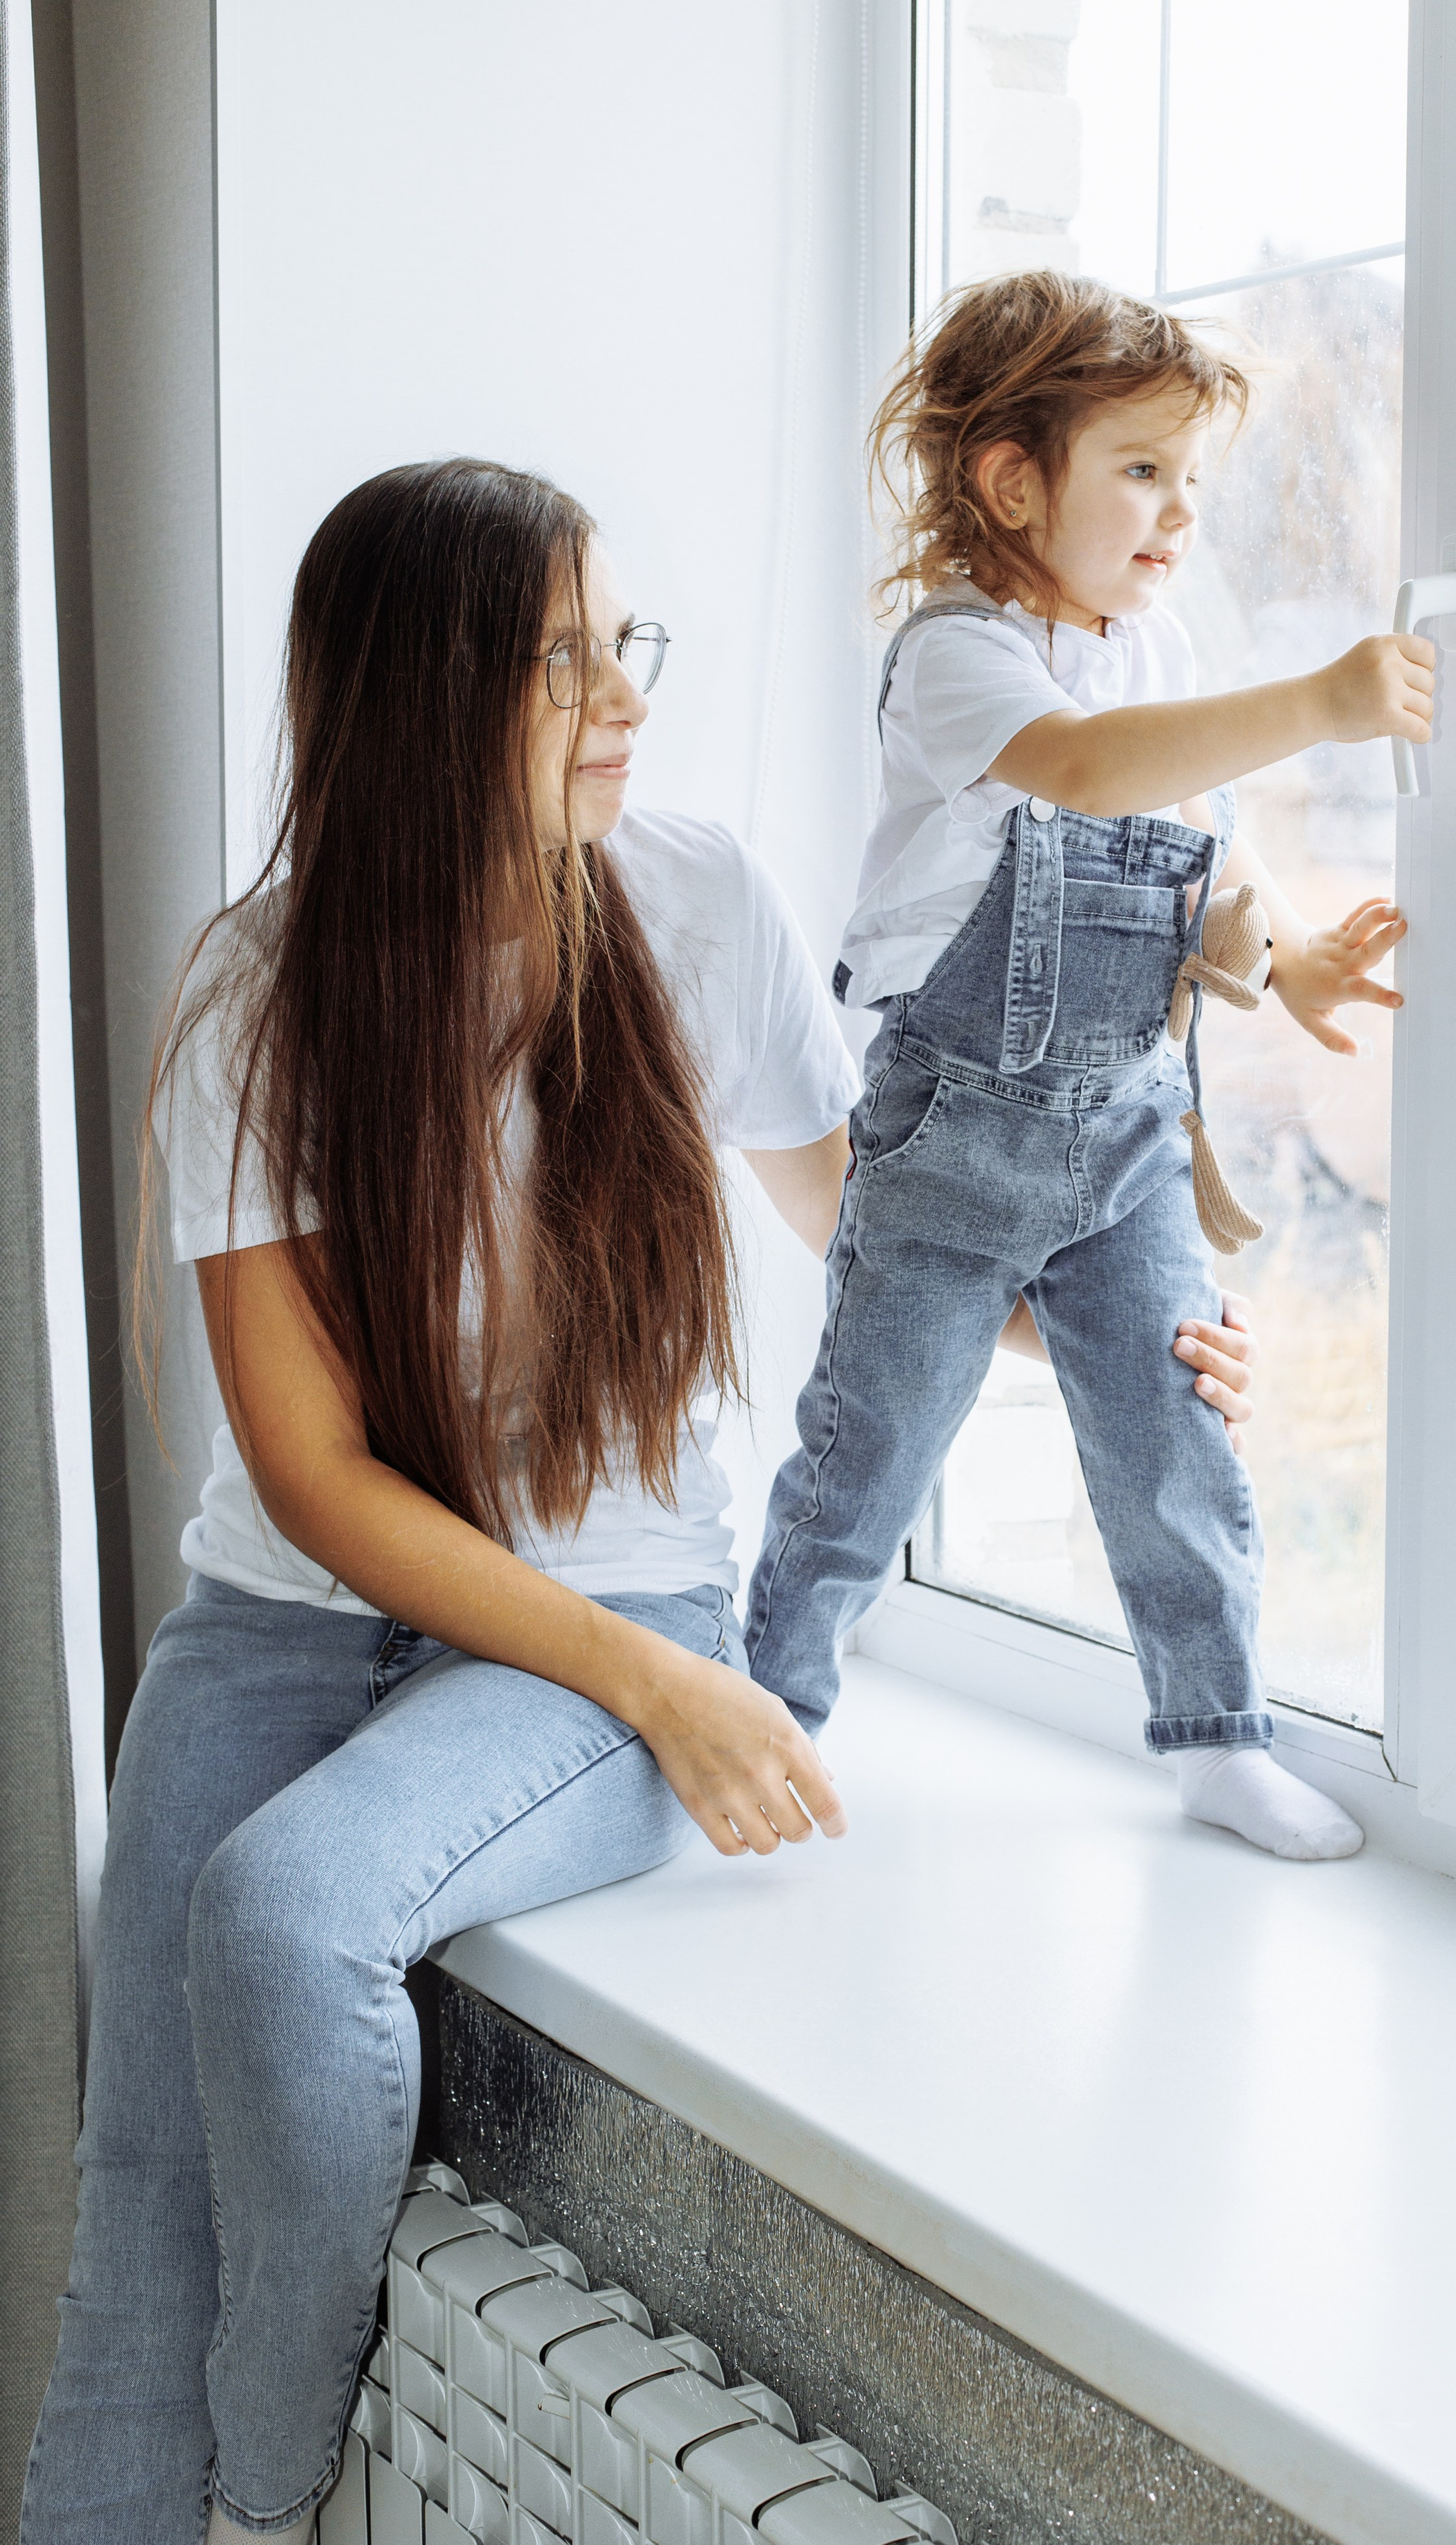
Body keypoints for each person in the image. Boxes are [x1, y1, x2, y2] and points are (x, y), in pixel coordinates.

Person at [23, 460, 877, 2544]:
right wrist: (656, 1695)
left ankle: (267, 2504)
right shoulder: (264, 989)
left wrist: (1118, 1315)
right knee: (134, 2236)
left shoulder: (690, 898)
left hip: (617, 1616)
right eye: (566, 653)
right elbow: (311, 1474)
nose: (624, 694)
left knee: (287, 1911)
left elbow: (859, 1215)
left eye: (620, 641)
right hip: (301, 1617)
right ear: (420, 698)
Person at [746, 270, 1432, 1863]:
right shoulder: (957, 660)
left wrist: (1282, 959)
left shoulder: (1154, 647)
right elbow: (1087, 772)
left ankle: (1215, 1732)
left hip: (1127, 1128)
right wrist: (1320, 704)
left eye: (1193, 483)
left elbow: (1192, 861)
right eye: (1142, 471)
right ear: (1009, 482)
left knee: (1171, 1432)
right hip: (950, 1128)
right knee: (873, 1445)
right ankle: (770, 1705)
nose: (1178, 514)